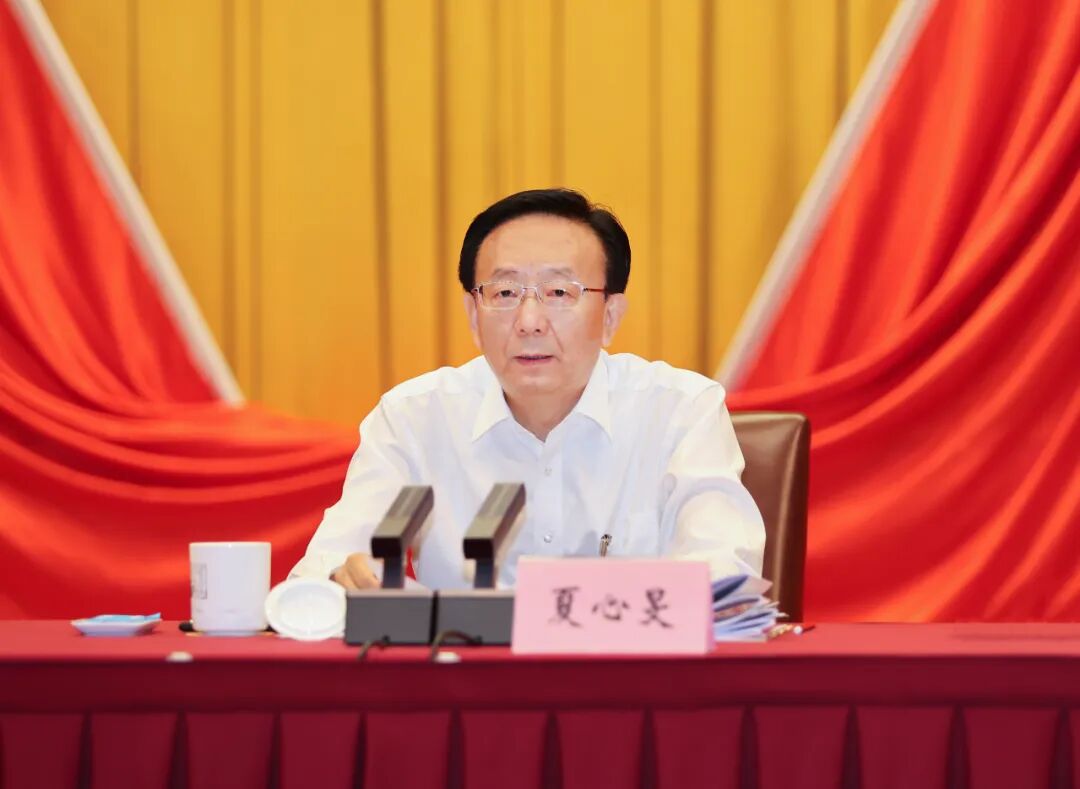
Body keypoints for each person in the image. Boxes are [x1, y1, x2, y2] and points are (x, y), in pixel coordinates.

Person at [291, 188, 764, 589]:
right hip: (463, 671)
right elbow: (326, 571)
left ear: (611, 316)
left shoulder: (682, 412)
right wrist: (344, 583)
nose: (530, 321)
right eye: (504, 293)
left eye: (559, 293)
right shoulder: (413, 419)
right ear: (473, 316)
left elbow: (724, 575)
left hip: (628, 671)